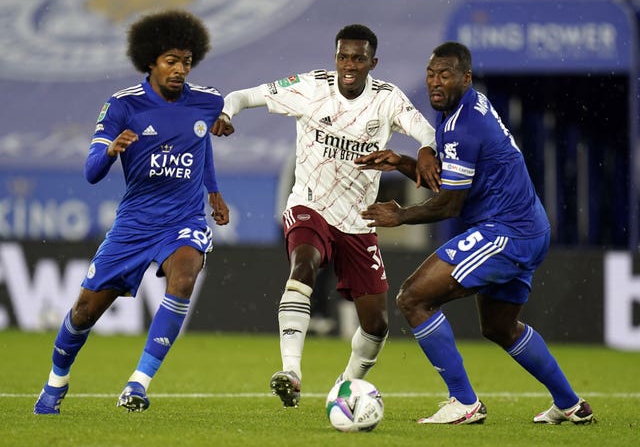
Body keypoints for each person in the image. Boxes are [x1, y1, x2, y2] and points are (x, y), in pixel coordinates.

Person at [358, 41, 594, 425]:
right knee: (499, 326)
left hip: (506, 231)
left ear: (465, 77)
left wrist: (400, 216)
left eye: (445, 75)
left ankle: (464, 402)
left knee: (413, 298)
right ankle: (571, 404)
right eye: (431, 74)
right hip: (528, 227)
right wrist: (402, 161)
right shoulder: (464, 106)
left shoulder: (462, 126)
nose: (435, 83)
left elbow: (449, 205)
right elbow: (449, 182)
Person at [211, 24, 440, 407]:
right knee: (304, 266)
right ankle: (291, 372)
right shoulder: (311, 87)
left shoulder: (388, 99)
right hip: (309, 204)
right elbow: (242, 95)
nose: (348, 65)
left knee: (377, 324)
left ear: (372, 62)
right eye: (343, 57)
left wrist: (429, 148)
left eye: (358, 58)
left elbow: (426, 131)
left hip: (358, 220)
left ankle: (345, 387)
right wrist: (226, 112)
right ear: (335, 58)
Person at [33, 10, 229, 414]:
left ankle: (138, 384)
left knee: (186, 273)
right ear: (151, 61)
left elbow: (201, 144)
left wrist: (213, 191)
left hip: (184, 219)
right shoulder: (123, 106)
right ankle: (57, 379)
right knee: (85, 311)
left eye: (187, 62)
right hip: (135, 224)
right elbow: (90, 174)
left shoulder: (209, 101)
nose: (180, 70)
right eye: (171, 61)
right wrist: (110, 150)